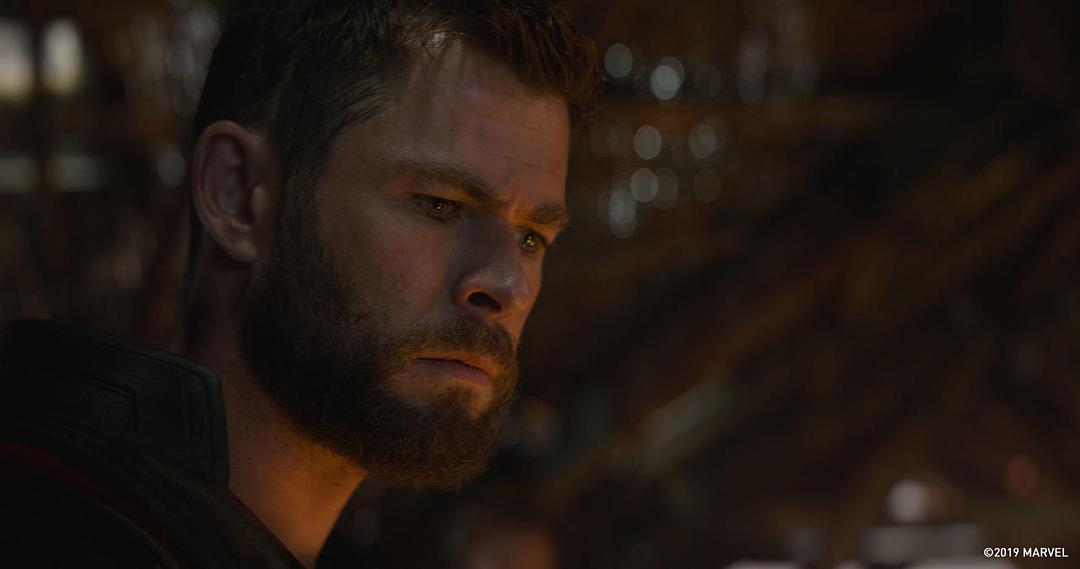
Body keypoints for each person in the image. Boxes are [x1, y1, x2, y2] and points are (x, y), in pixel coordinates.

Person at [0, 1, 599, 567]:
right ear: (238, 194)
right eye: (438, 204)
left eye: (532, 239)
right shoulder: (51, 532)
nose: (508, 284)